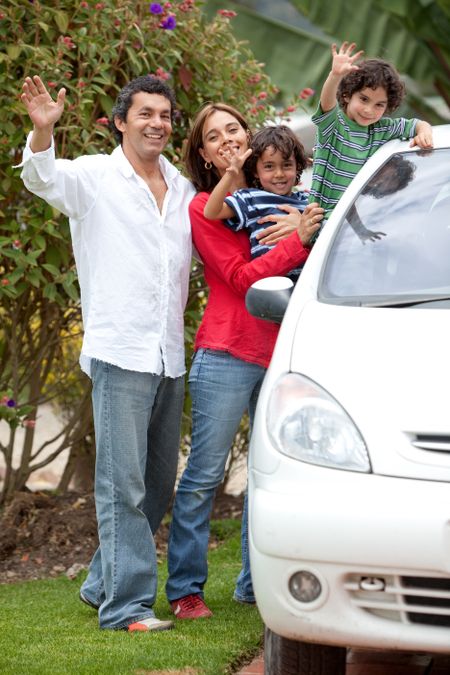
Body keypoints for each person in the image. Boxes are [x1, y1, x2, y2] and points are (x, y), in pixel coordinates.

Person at [18, 74, 195, 632]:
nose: (157, 123)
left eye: (164, 115)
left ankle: (100, 584)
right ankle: (126, 608)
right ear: (121, 121)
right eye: (145, 114)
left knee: (158, 484)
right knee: (123, 486)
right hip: (121, 351)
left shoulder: (183, 187)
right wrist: (43, 132)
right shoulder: (94, 176)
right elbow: (41, 178)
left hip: (168, 353)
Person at [165, 102, 324, 619]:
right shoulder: (204, 208)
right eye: (215, 136)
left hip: (285, 353)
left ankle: (254, 586)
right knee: (204, 477)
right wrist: (298, 238)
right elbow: (242, 278)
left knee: (272, 474)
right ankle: (186, 589)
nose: (227, 138)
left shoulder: (291, 196)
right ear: (205, 154)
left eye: (234, 128)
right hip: (229, 353)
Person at [309, 41, 433, 230]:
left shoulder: (381, 129)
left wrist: (424, 133)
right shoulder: (334, 125)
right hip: (317, 226)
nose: (369, 110)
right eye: (364, 99)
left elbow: (417, 124)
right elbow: (326, 103)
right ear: (347, 95)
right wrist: (335, 75)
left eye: (379, 105)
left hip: (345, 229)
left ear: (388, 106)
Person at [204, 125, 309, 280]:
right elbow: (211, 212)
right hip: (269, 286)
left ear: (297, 166)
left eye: (286, 165)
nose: (279, 174)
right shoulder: (251, 198)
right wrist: (231, 173)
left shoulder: (307, 200)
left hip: (305, 285)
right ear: (255, 171)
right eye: (269, 167)